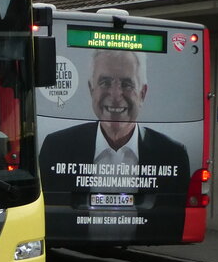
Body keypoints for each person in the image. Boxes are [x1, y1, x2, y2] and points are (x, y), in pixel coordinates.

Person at [38, 48, 190, 242]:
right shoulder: (56, 147)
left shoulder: (172, 154)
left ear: (143, 93)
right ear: (91, 89)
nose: (116, 95)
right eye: (105, 82)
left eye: (127, 84)